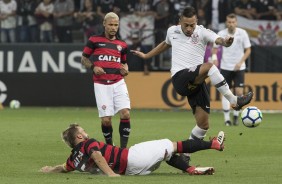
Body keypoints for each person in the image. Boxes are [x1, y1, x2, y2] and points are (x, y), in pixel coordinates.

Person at [131, 6, 253, 162]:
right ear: (180, 21)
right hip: (180, 78)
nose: (189, 28)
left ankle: (185, 156)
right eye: (186, 25)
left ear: (197, 22)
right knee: (209, 66)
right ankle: (234, 100)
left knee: (203, 125)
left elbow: (219, 40)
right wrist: (147, 55)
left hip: (196, 80)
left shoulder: (202, 32)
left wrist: (226, 42)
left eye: (192, 25)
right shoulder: (172, 31)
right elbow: (165, 44)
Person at [40, 123, 225, 176]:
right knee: (172, 145)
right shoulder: (89, 144)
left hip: (132, 170)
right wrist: (111, 175)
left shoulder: (73, 158)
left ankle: (191, 169)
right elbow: (97, 157)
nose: (86, 133)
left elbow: (63, 167)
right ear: (79, 137)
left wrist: (49, 169)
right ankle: (214, 144)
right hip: (133, 158)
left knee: (166, 153)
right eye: (83, 131)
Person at [81, 12, 131, 148]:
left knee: (125, 113)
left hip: (118, 82)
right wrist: (93, 67)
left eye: (116, 25)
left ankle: (123, 150)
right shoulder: (94, 40)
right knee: (106, 121)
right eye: (110, 24)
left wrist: (125, 70)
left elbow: (124, 63)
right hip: (101, 84)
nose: (113, 28)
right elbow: (84, 58)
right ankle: (110, 148)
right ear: (104, 24)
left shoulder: (122, 45)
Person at [212, 13, 251, 126]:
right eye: (229, 22)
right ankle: (226, 119)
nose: (231, 24)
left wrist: (240, 62)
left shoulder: (242, 33)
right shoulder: (221, 33)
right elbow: (215, 48)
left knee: (239, 92)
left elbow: (248, 50)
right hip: (225, 66)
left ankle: (235, 116)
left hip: (239, 67)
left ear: (236, 23)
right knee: (225, 92)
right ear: (226, 22)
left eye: (233, 22)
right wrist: (214, 58)